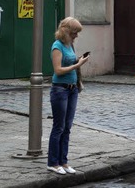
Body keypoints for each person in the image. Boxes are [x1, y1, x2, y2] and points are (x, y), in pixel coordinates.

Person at [47, 17, 89, 175]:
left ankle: (63, 161)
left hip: (72, 90)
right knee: (59, 127)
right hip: (60, 90)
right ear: (66, 31)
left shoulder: (69, 44)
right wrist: (78, 65)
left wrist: (78, 61)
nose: (76, 35)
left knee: (67, 128)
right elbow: (58, 70)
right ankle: (53, 162)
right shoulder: (57, 46)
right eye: (74, 32)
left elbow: (70, 64)